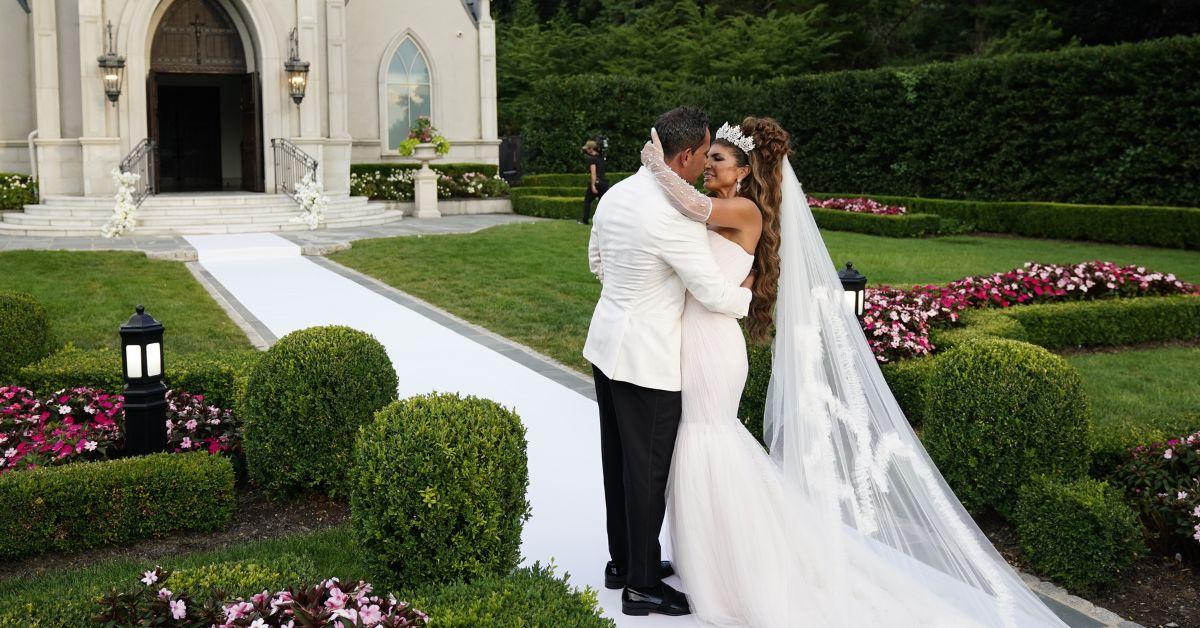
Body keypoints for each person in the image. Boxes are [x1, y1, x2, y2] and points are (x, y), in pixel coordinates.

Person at [627, 117, 1071, 626]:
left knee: (708, 439)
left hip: (714, 347)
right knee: (696, 440)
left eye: (718, 161)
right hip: (698, 336)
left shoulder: (743, 209)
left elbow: (690, 206)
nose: (707, 168)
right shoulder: (725, 207)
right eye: (706, 161)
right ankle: (707, 554)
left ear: (745, 171)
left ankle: (734, 562)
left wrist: (656, 164)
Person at [583, 107, 753, 617]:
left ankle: (622, 563)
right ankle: (641, 587)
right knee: (648, 471)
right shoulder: (673, 215)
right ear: (685, 155)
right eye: (704, 155)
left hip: (605, 344)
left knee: (618, 462)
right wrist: (750, 295)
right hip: (647, 359)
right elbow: (709, 290)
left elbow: (596, 261)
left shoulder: (615, 195)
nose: (704, 165)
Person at [579, 139, 608, 224]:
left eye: (587, 149)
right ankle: (604, 221)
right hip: (604, 183)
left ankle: (585, 220)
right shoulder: (601, 157)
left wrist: (593, 185)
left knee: (587, 201)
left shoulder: (592, 159)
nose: (586, 150)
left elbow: (593, 173)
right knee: (603, 204)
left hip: (597, 183)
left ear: (591, 149)